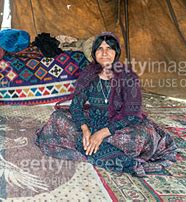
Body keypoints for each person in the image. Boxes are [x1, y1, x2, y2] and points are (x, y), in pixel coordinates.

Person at [35, 32, 177, 176]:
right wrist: (85, 129)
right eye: (100, 49)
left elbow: (132, 114)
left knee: (138, 138)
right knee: (57, 118)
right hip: (94, 119)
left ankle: (90, 147)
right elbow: (76, 105)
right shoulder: (88, 75)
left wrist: (102, 134)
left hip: (120, 124)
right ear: (94, 53)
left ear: (116, 52)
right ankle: (119, 159)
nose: (104, 53)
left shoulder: (127, 76)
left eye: (109, 48)